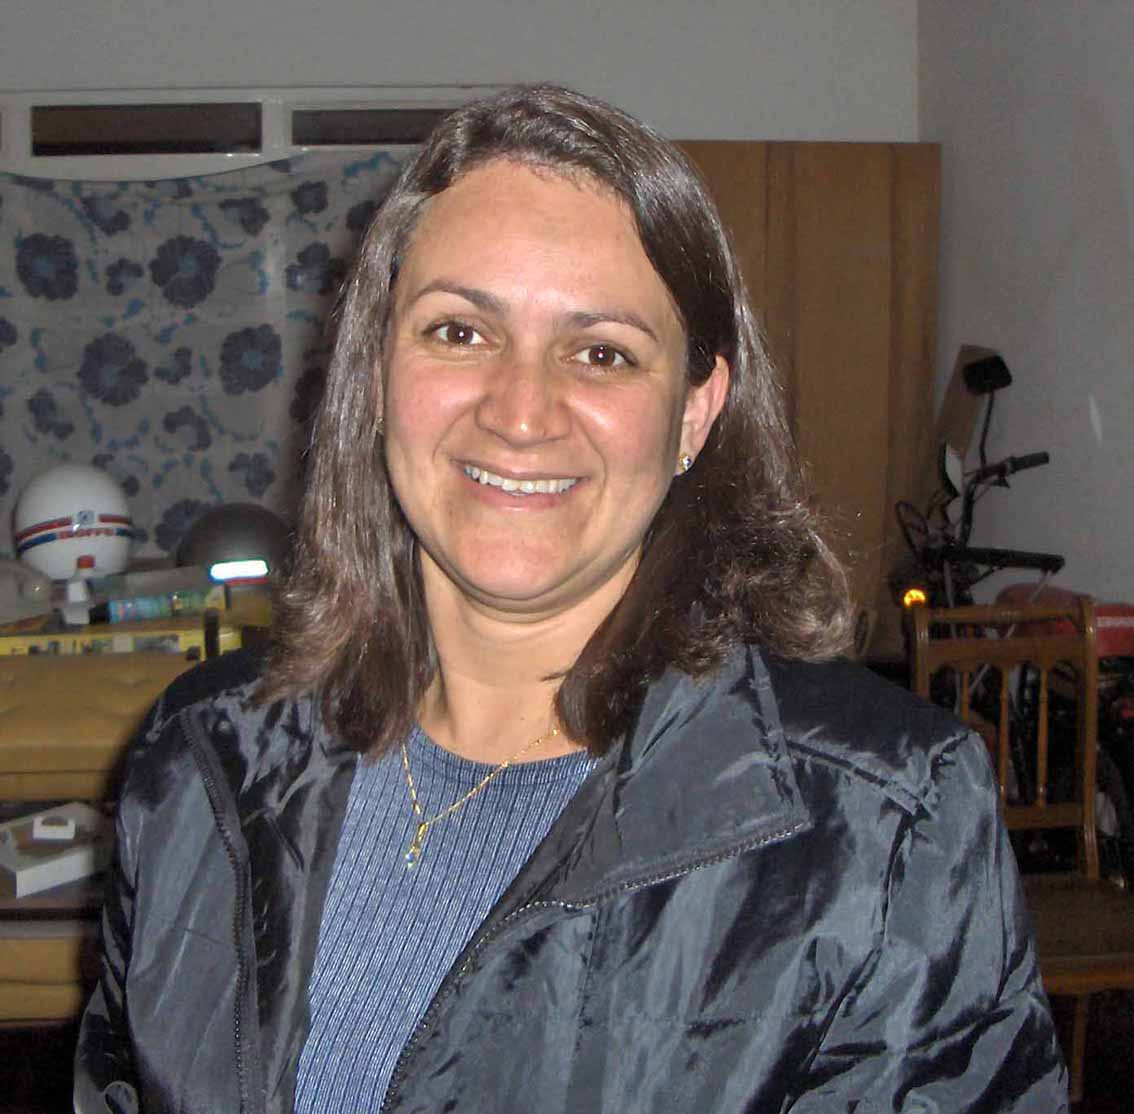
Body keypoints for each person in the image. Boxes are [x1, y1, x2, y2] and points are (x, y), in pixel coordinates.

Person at [75, 85, 1067, 1112]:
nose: (520, 413)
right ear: (374, 374)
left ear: (693, 415)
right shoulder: (200, 763)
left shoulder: (880, 823)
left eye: (602, 353)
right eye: (459, 331)